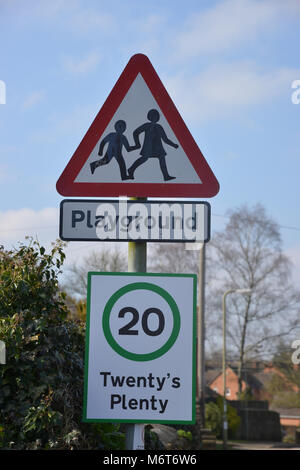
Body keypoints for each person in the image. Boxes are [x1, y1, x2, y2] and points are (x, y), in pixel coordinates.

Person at [127, 109, 179, 181]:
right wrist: (137, 144)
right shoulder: (147, 125)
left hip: (158, 147)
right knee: (144, 158)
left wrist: (173, 145)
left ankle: (166, 176)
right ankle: (131, 169)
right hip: (148, 147)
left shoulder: (159, 127)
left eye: (156, 115)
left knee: (162, 158)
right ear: (149, 117)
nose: (155, 117)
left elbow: (165, 139)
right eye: (153, 115)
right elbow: (135, 132)